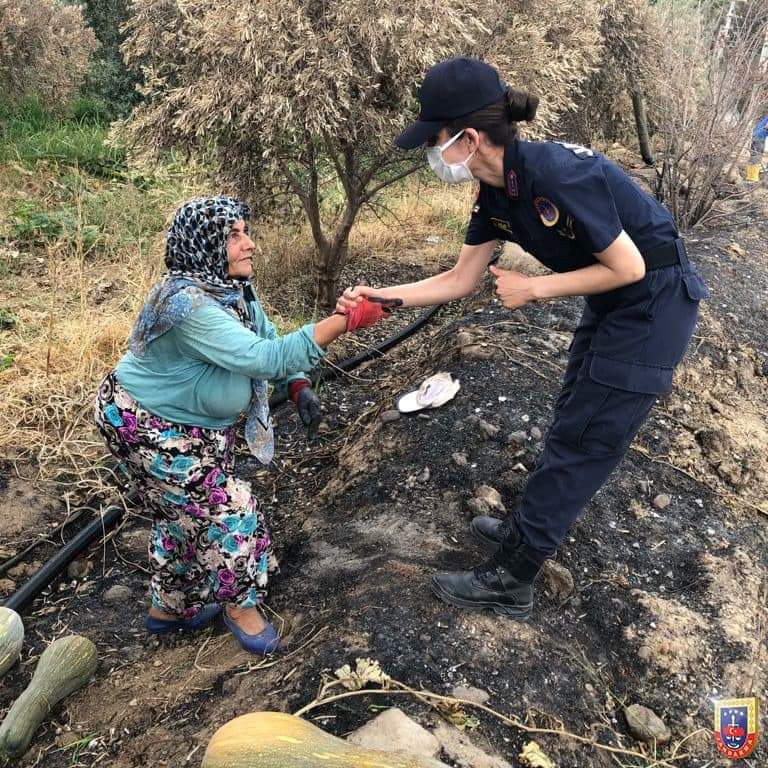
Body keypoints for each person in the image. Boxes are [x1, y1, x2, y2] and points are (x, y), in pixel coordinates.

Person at [338, 57, 710, 620]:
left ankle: (514, 576)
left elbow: (631, 266)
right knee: (571, 413)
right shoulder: (495, 193)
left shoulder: (556, 173)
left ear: (468, 137)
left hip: (652, 302)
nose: (429, 155)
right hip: (613, 297)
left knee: (586, 436)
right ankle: (524, 529)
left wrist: (535, 290)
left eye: (433, 140)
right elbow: (459, 279)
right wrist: (379, 297)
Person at [95, 196, 393, 653]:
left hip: (183, 425)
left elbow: (267, 335)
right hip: (147, 425)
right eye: (234, 236)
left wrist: (297, 385)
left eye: (244, 232)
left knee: (181, 514)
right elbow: (262, 357)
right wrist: (342, 322)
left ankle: (170, 609)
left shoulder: (229, 290)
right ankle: (239, 604)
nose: (249, 244)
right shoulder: (187, 306)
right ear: (204, 245)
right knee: (228, 509)